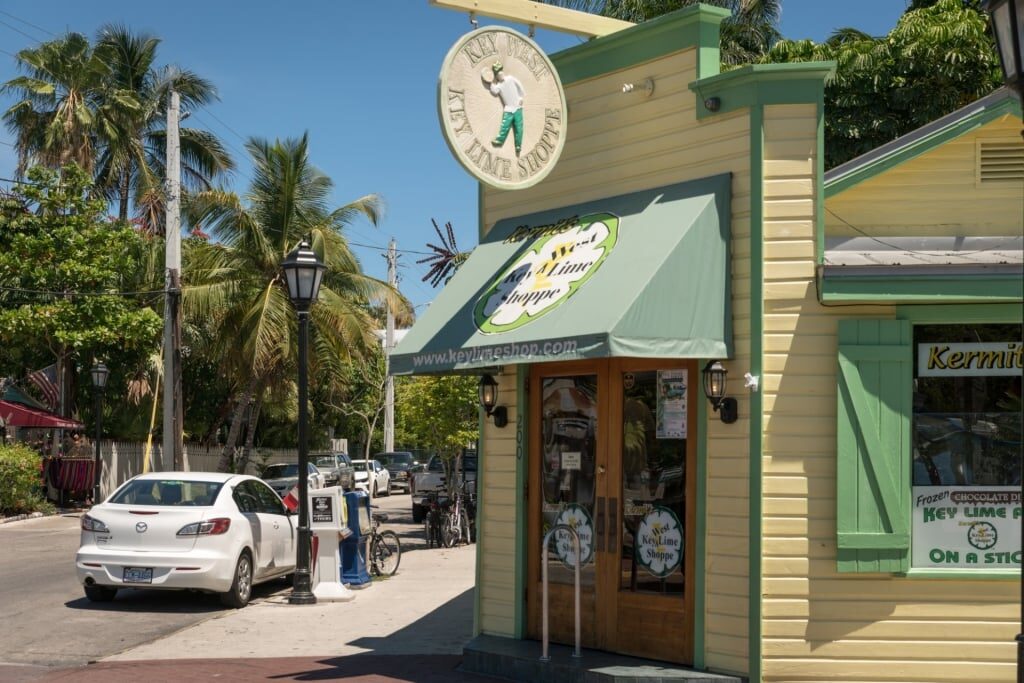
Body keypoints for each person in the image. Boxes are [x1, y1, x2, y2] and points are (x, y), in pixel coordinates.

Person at [483, 61, 525, 156]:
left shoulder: (510, 79)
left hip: (518, 107)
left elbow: (520, 87)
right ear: (496, 76)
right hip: (508, 109)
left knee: (519, 127)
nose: (500, 75)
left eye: (500, 73)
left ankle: (518, 145)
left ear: (503, 72)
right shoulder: (498, 86)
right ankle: (499, 140)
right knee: (505, 126)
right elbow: (494, 91)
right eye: (498, 74)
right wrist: (490, 82)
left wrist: (521, 97)